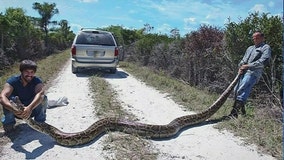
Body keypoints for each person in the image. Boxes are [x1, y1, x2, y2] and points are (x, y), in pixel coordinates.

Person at [227, 31, 271, 119]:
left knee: (242, 89)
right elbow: (244, 59)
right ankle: (243, 113)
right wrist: (241, 65)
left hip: (253, 73)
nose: (255, 39)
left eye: (257, 38)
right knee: (236, 90)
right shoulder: (250, 48)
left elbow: (264, 61)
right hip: (243, 72)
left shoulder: (266, 47)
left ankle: (233, 114)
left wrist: (248, 66)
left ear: (262, 38)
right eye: (253, 38)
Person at [0, 60, 47, 133]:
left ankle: (40, 122)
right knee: (7, 99)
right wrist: (13, 109)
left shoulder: (37, 81)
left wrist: (29, 108)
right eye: (27, 72)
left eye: (32, 72)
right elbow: (2, 96)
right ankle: (9, 124)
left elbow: (40, 94)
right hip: (16, 110)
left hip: (31, 109)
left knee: (43, 98)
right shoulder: (12, 81)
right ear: (21, 71)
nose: (29, 74)